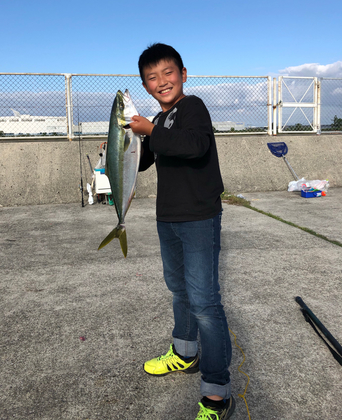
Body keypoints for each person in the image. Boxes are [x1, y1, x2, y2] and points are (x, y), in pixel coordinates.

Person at [130, 43, 235, 420]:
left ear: (183, 74)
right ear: (145, 85)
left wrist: (150, 131)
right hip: (168, 219)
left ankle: (216, 394)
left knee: (206, 304)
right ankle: (184, 354)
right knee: (179, 292)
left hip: (199, 218)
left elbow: (195, 146)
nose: (161, 81)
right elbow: (144, 164)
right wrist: (126, 142)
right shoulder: (158, 123)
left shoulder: (193, 108)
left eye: (168, 73)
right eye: (152, 77)